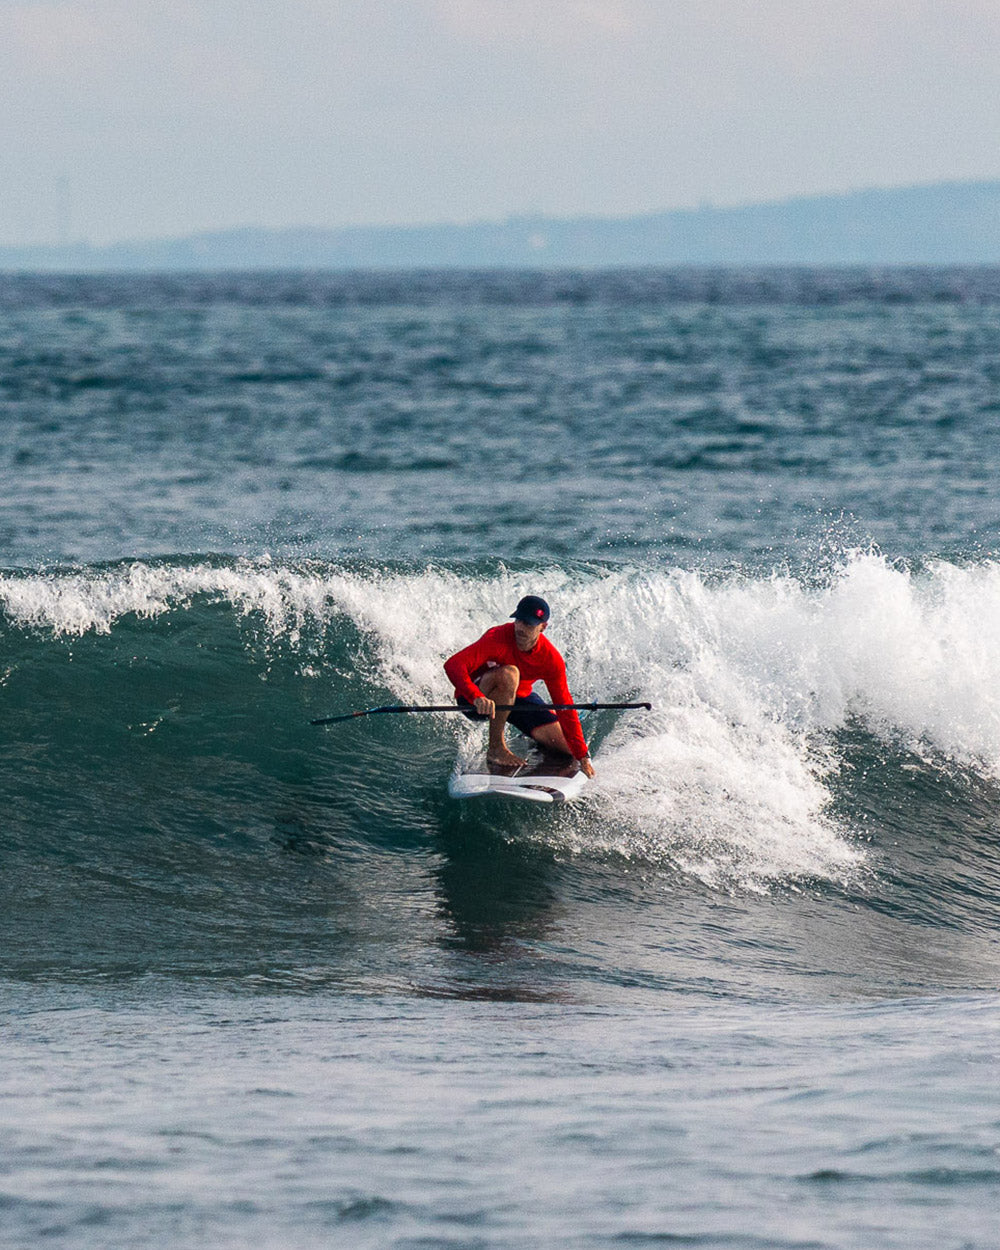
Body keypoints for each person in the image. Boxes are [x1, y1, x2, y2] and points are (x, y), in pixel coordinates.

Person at [443, 595, 595, 777]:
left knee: (568, 748)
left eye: (529, 624)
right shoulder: (496, 637)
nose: (521, 628)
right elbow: (453, 665)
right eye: (519, 621)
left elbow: (564, 705)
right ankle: (496, 748)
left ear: (542, 627)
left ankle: (539, 737)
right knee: (510, 674)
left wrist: (582, 755)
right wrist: (475, 695)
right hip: (477, 699)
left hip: (515, 700)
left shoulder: (551, 659)